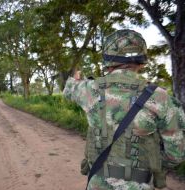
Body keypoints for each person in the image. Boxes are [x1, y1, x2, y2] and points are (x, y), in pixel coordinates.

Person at [63, 29, 185, 190]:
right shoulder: (160, 98)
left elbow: (68, 90)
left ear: (108, 59)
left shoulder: (88, 89)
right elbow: (176, 155)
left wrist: (76, 79)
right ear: (142, 62)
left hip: (97, 184)